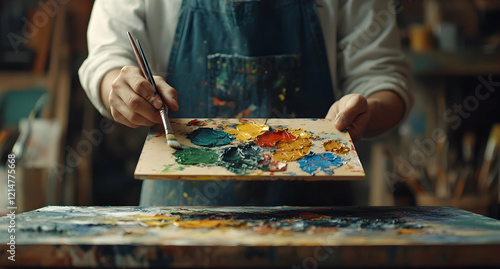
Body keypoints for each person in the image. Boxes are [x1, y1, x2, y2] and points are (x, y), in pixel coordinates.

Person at [79, 0, 413, 206]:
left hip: (315, 223)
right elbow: (107, 56)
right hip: (179, 222)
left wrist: (368, 109)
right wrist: (118, 84)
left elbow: (383, 78)